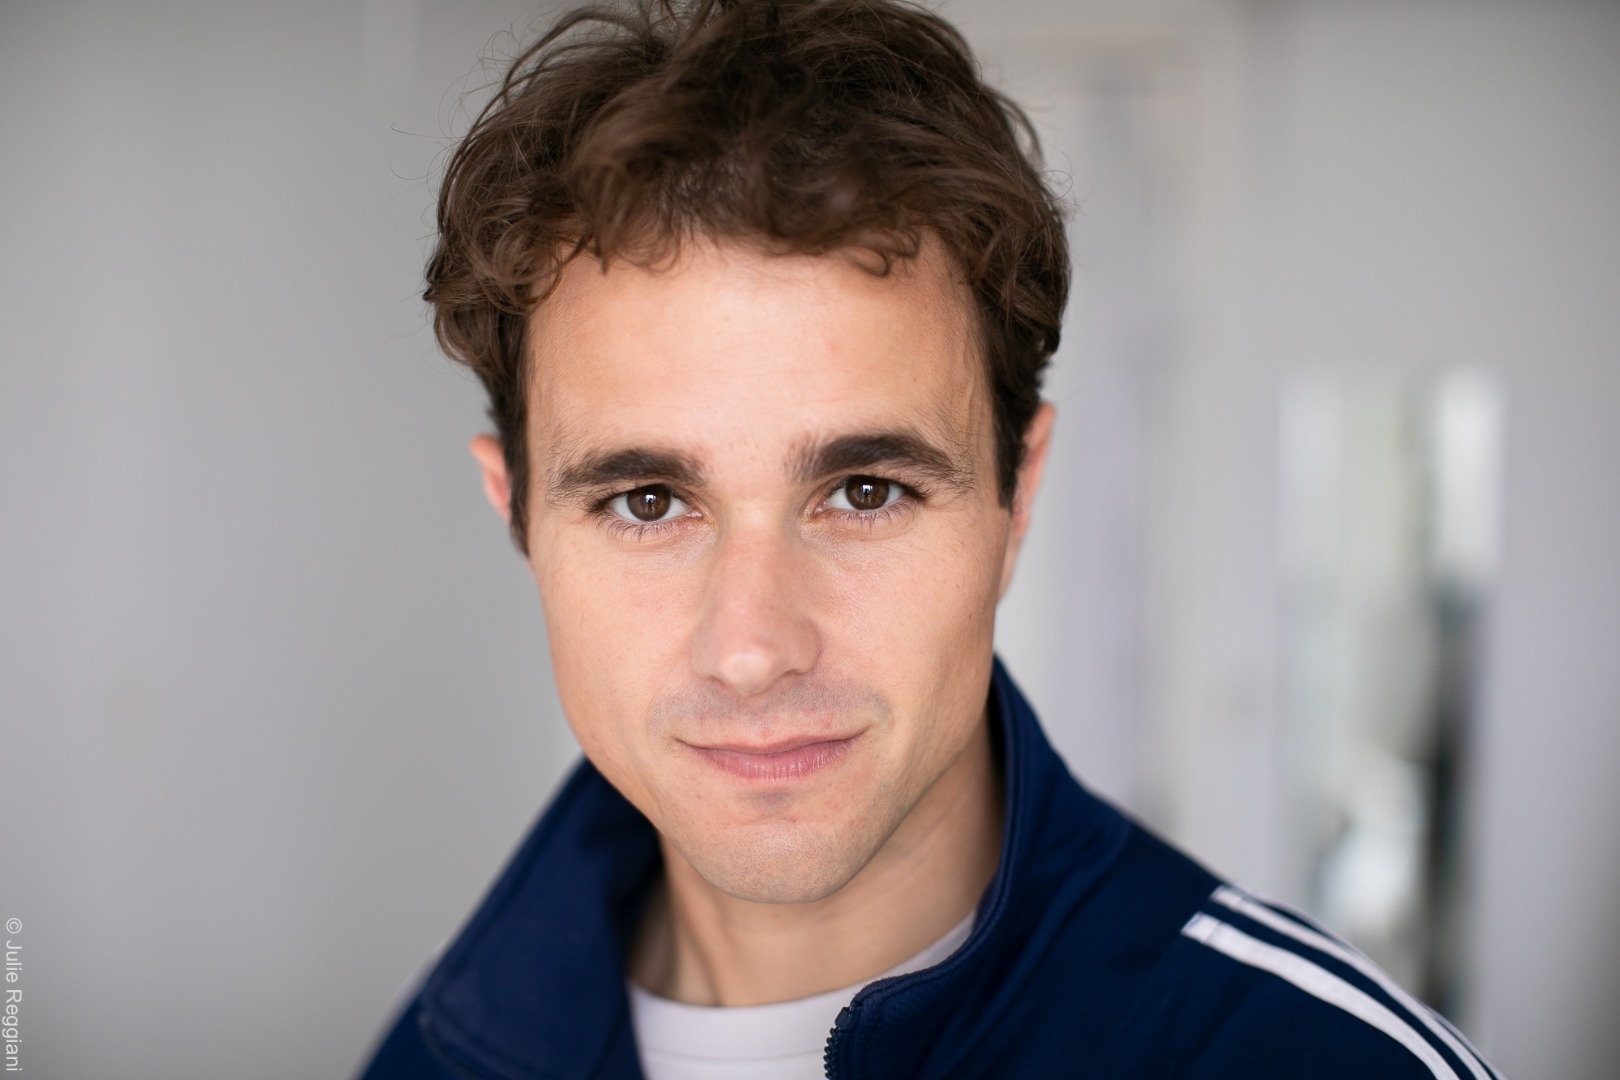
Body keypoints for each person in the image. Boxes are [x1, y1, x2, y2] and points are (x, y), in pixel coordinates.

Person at [358, 1, 1498, 1077]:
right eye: (648, 503)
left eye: (865, 492)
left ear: (1017, 495)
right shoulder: (429, 1057)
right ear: (514, 512)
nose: (752, 649)